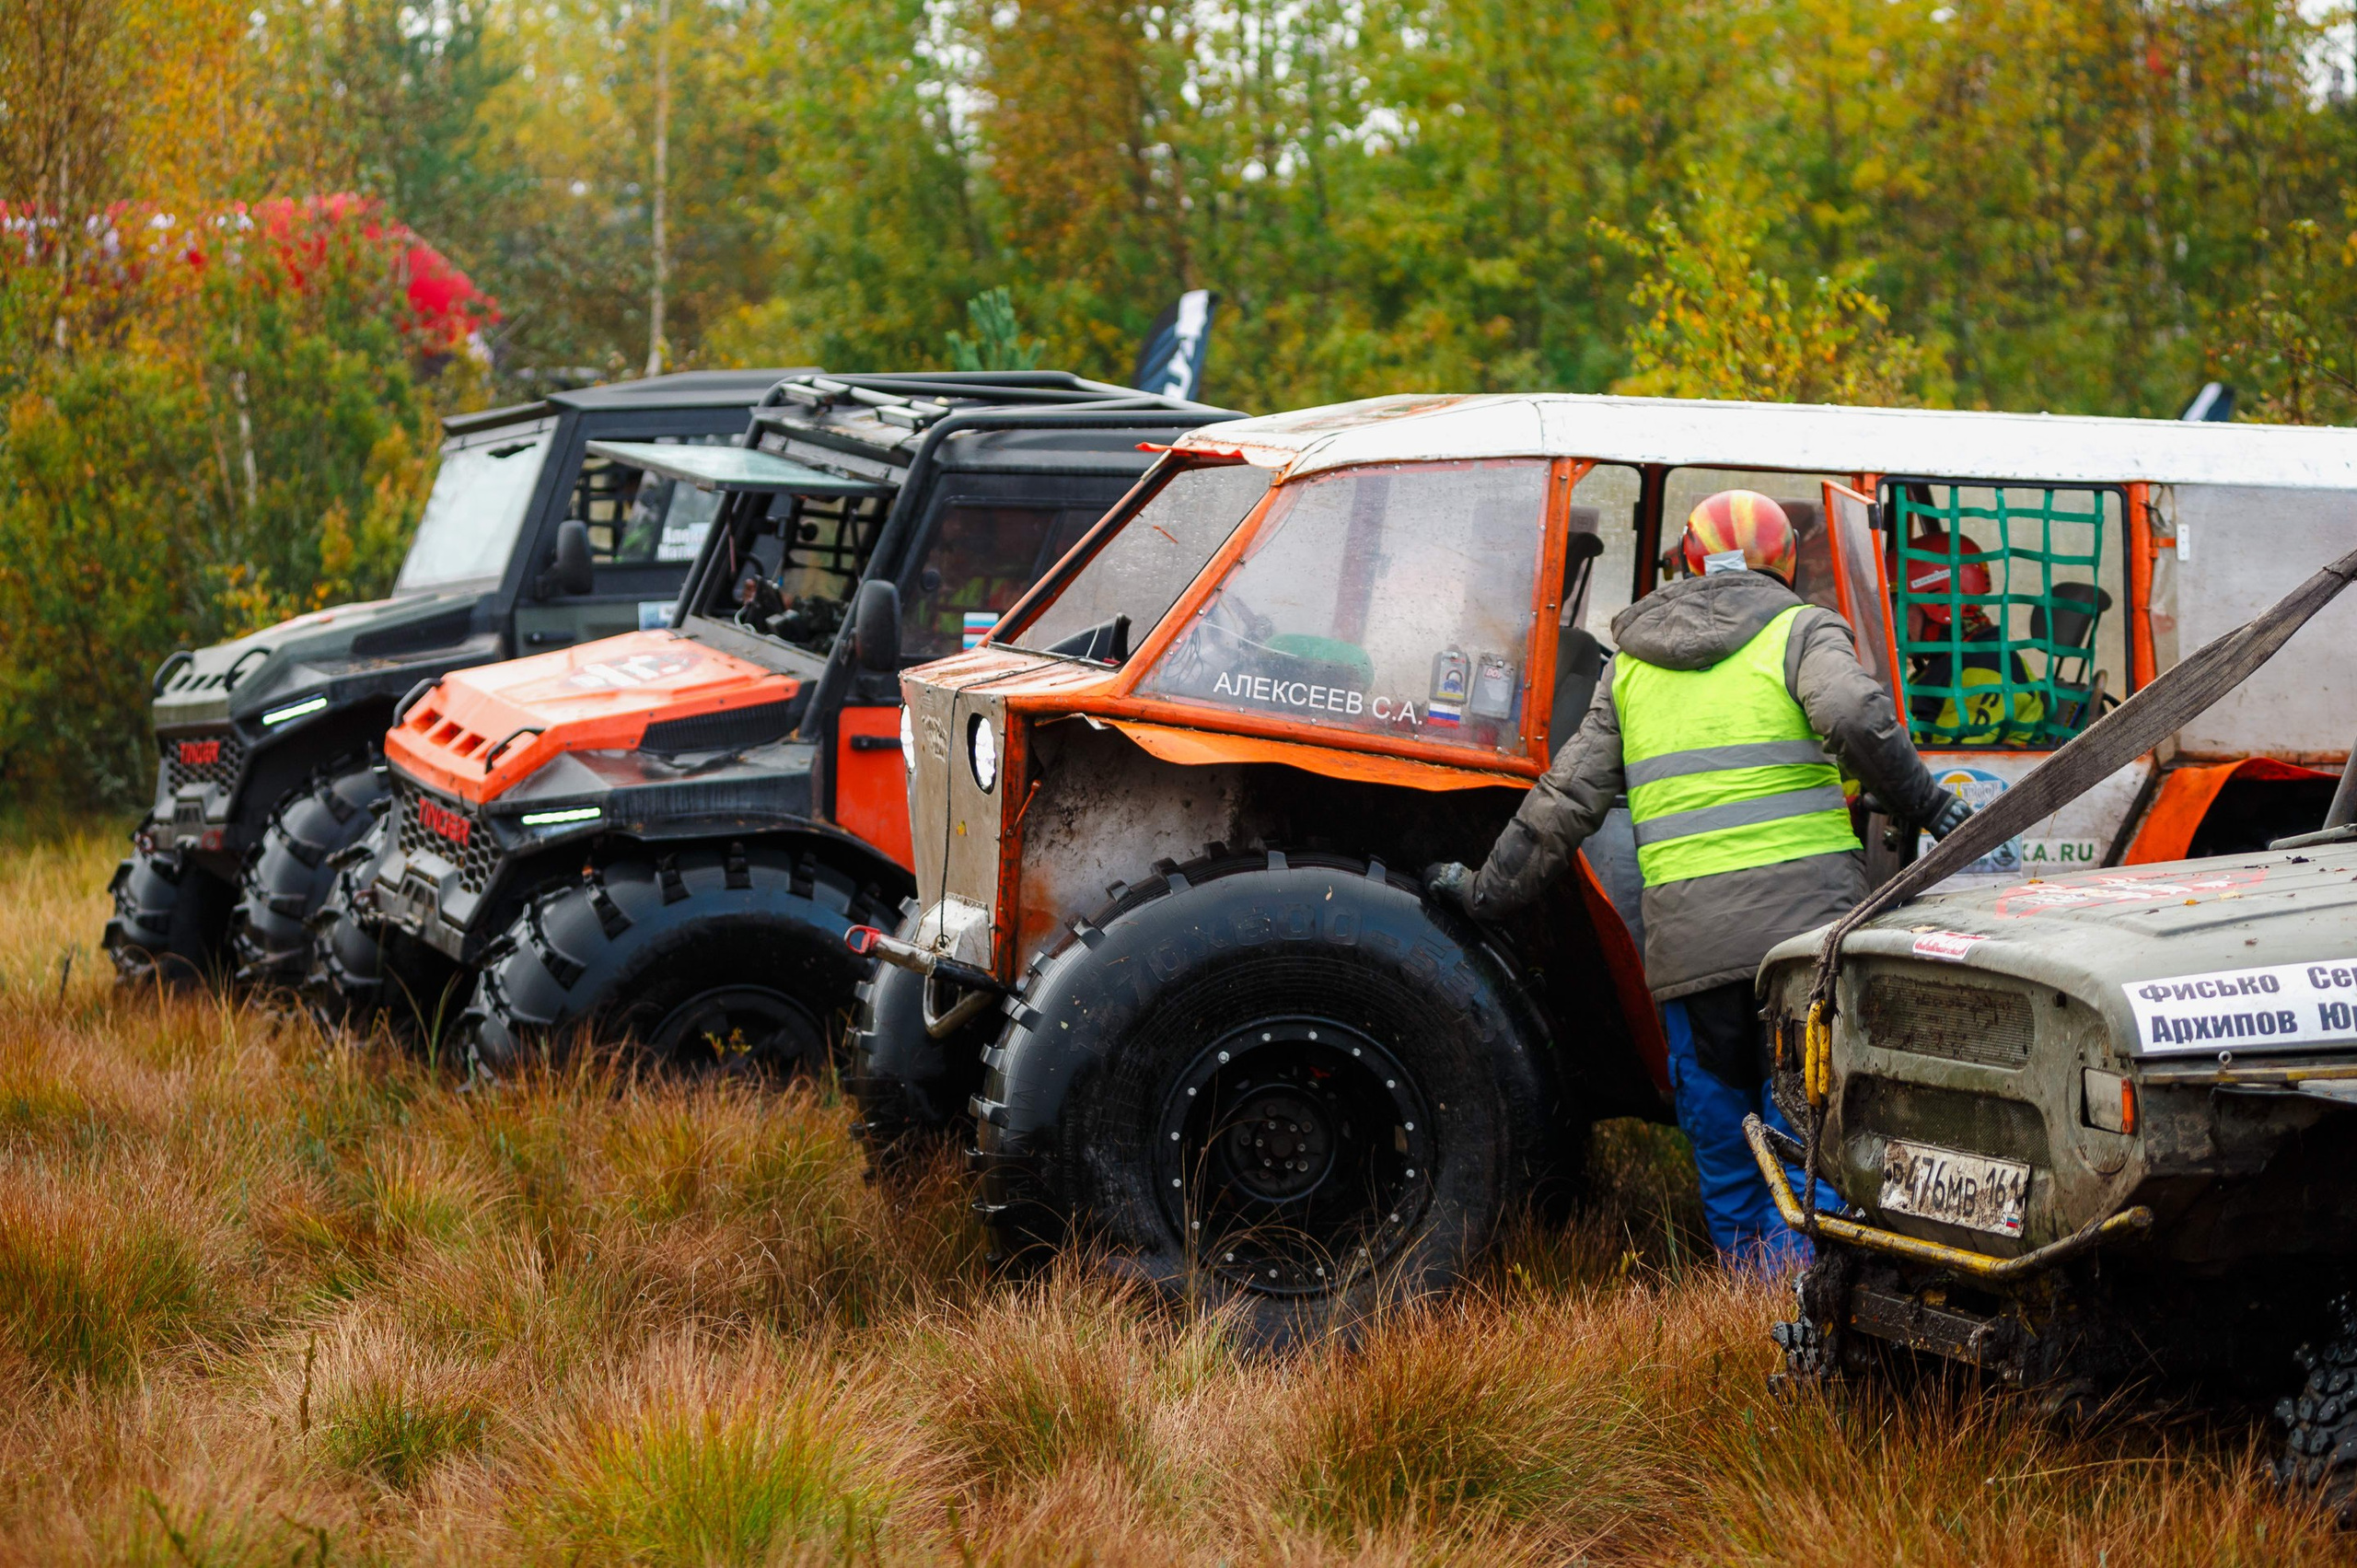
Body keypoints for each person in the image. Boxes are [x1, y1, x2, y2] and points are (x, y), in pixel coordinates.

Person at [1426, 490, 1970, 1271]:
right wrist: (1925, 798)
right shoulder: (1799, 630)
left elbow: (1563, 803)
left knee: (1723, 1139)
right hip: (1804, 947)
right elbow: (1852, 711)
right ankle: (1815, 1316)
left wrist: (1484, 892)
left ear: (1684, 561)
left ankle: (1752, 1305)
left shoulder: (1632, 666)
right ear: (1786, 564)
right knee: (1808, 1129)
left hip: (1693, 955)